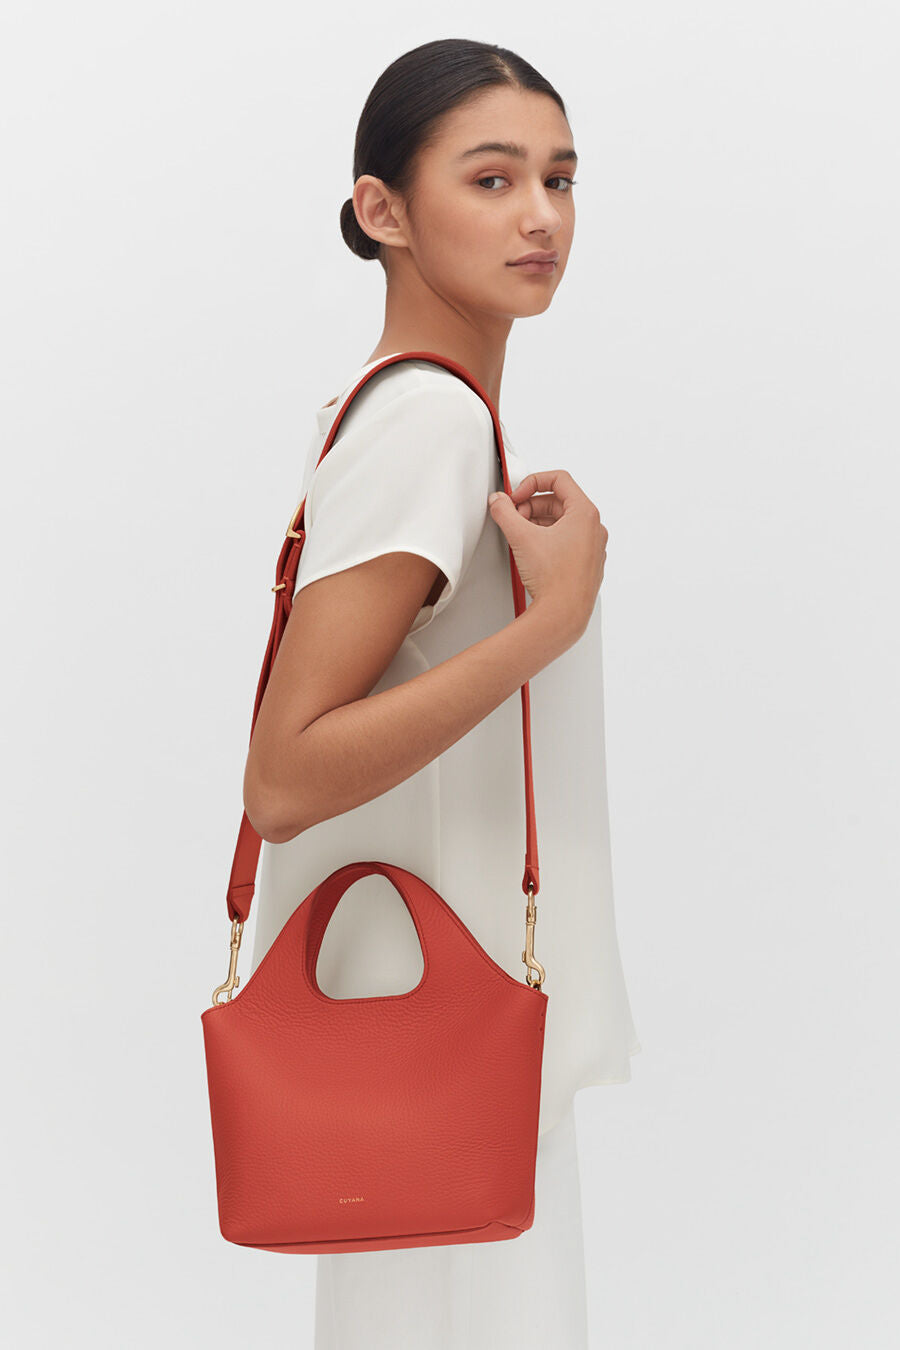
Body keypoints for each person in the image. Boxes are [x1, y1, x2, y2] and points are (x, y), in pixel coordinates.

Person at [242, 37, 641, 1350]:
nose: (541, 217)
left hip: (422, 1012)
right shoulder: (432, 422)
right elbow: (285, 775)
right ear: (384, 210)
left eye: (560, 179)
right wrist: (550, 624)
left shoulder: (423, 414)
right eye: (491, 178)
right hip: (436, 1029)